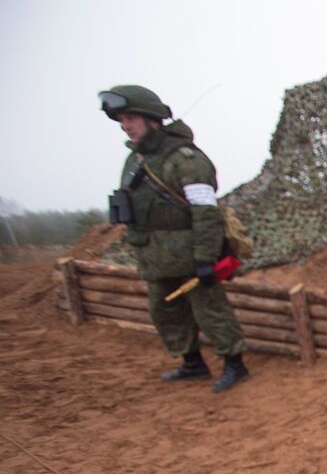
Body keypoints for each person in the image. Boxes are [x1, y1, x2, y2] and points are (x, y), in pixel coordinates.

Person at [100, 85, 249, 392]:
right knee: (164, 310)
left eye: (131, 119)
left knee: (210, 310)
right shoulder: (136, 161)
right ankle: (191, 362)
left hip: (191, 253)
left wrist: (206, 258)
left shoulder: (185, 159)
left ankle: (235, 364)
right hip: (155, 256)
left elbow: (206, 212)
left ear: (151, 118)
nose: (126, 126)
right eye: (122, 121)